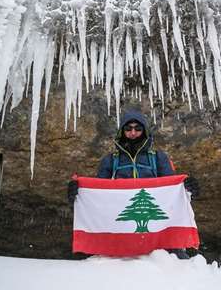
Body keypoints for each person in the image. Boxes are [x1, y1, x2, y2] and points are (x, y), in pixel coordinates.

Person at [67, 110, 200, 258]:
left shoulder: (158, 158)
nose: (133, 132)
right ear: (122, 132)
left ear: (144, 131)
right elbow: (98, 198)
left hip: (159, 238)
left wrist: (188, 189)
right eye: (128, 128)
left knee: (181, 266)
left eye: (138, 128)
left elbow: (172, 197)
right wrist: (78, 192)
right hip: (119, 233)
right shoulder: (110, 160)